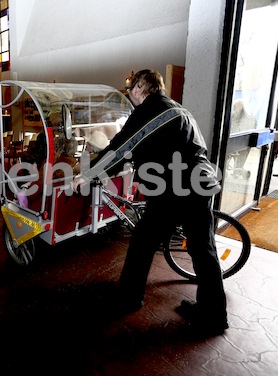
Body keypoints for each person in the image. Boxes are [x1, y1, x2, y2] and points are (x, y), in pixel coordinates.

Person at [71, 69, 228, 337]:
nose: (130, 92)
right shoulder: (177, 108)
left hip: (174, 189)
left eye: (132, 86)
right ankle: (213, 314)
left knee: (143, 243)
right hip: (201, 183)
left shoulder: (149, 111)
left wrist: (86, 175)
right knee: (204, 251)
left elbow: (120, 147)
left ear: (142, 87)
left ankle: (128, 299)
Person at [229, 99, 256, 173]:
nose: (236, 108)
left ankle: (238, 168)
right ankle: (236, 169)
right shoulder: (232, 116)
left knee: (242, 153)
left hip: (243, 141)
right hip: (233, 140)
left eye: (238, 106)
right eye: (235, 106)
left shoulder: (248, 118)